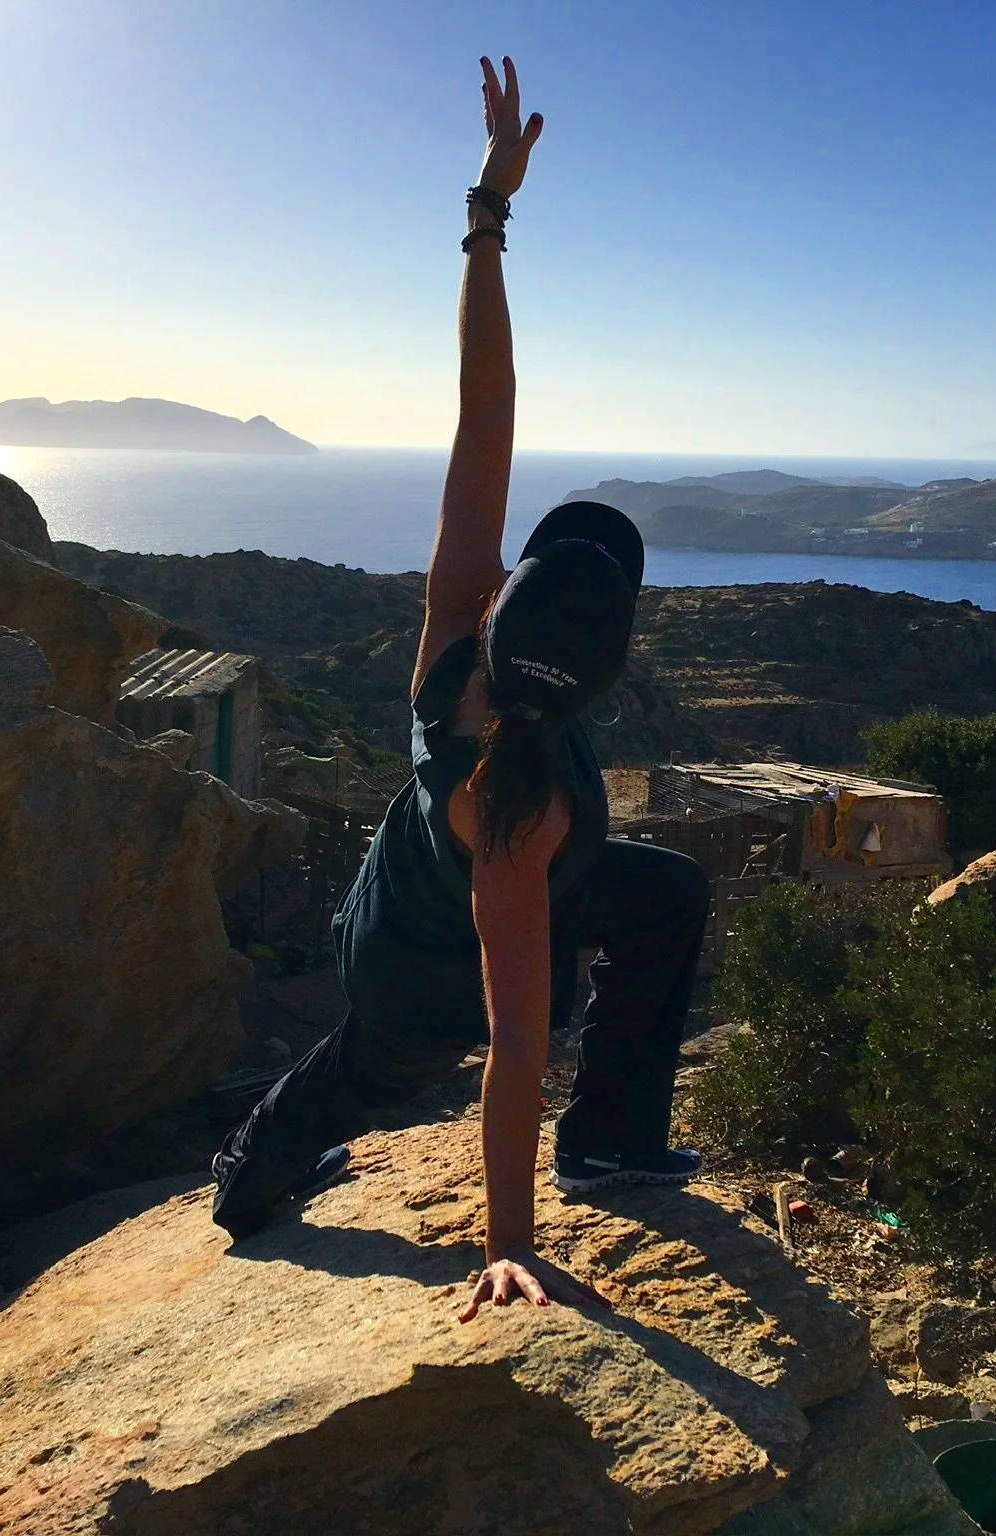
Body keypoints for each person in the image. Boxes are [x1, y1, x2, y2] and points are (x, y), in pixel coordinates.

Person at [211, 55, 710, 1319]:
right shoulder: (520, 811)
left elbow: (483, 405)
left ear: (501, 602)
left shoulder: (451, 629)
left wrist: (488, 213)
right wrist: (508, 1242)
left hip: (468, 888)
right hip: (415, 964)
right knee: (363, 1076)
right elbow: (514, 1042)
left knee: (665, 897)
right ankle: (244, 1182)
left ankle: (610, 1141)